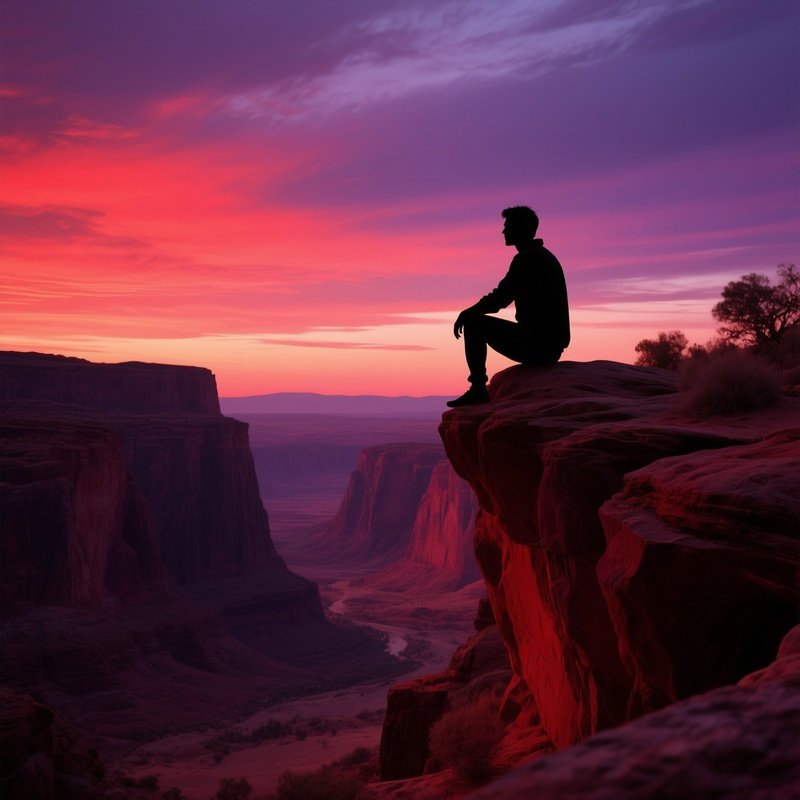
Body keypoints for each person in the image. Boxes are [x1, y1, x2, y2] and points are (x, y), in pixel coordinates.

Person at [447, 206, 570, 407]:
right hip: (547, 345)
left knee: (474, 323)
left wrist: (467, 313)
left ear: (520, 228)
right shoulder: (541, 256)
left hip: (539, 346)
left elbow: (500, 298)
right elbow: (503, 296)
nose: (503, 231)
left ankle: (478, 389)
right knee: (474, 319)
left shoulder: (529, 258)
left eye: (507, 226)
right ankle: (477, 388)